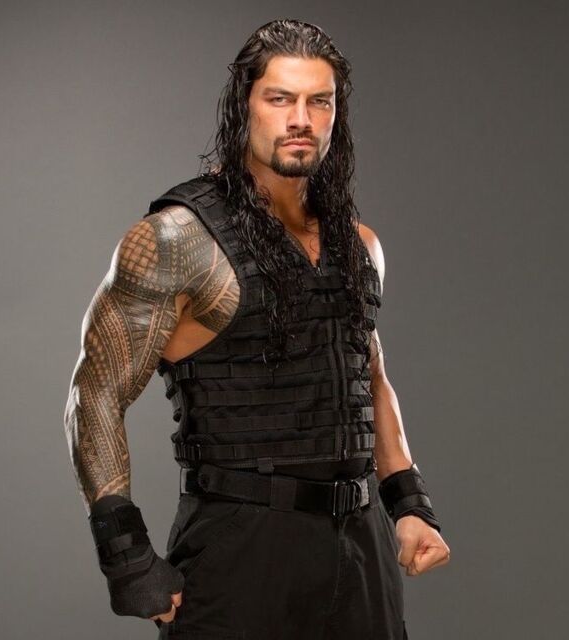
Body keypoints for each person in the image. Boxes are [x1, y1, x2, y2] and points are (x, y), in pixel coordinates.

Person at [64, 19, 450, 640]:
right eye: (280, 98)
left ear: (336, 114)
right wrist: (124, 553)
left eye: (319, 102)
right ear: (243, 105)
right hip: (241, 548)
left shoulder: (358, 245)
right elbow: (95, 393)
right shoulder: (176, 240)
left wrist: (408, 504)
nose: (301, 119)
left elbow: (368, 377)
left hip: (360, 548)